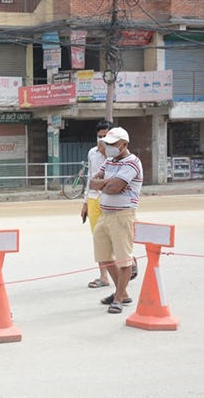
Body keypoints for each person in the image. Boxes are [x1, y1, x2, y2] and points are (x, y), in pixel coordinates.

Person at [88, 127, 143, 315]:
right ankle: (123, 292)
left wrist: (105, 183)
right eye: (107, 144)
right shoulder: (110, 161)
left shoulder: (132, 163)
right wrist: (108, 182)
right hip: (105, 215)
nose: (108, 147)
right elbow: (93, 183)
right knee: (104, 256)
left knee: (124, 259)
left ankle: (118, 298)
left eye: (112, 144)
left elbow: (113, 188)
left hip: (123, 215)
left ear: (124, 144)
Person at [82, 120, 112, 289]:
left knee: (113, 235)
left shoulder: (118, 154)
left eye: (105, 136)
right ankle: (103, 275)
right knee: (98, 238)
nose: (101, 140)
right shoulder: (92, 153)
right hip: (94, 198)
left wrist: (107, 153)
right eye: (99, 136)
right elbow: (89, 177)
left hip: (110, 198)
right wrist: (85, 202)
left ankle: (126, 265)